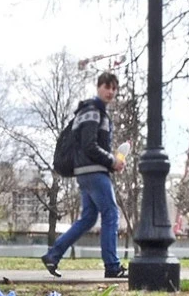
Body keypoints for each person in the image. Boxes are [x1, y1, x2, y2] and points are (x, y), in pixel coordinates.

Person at [41, 71, 127, 279]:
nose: (111, 92)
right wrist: (111, 161)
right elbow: (90, 146)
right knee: (110, 213)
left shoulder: (89, 112)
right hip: (94, 171)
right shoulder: (93, 111)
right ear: (98, 87)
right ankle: (112, 266)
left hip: (84, 173)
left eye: (114, 88)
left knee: (88, 218)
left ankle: (53, 254)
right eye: (107, 87)